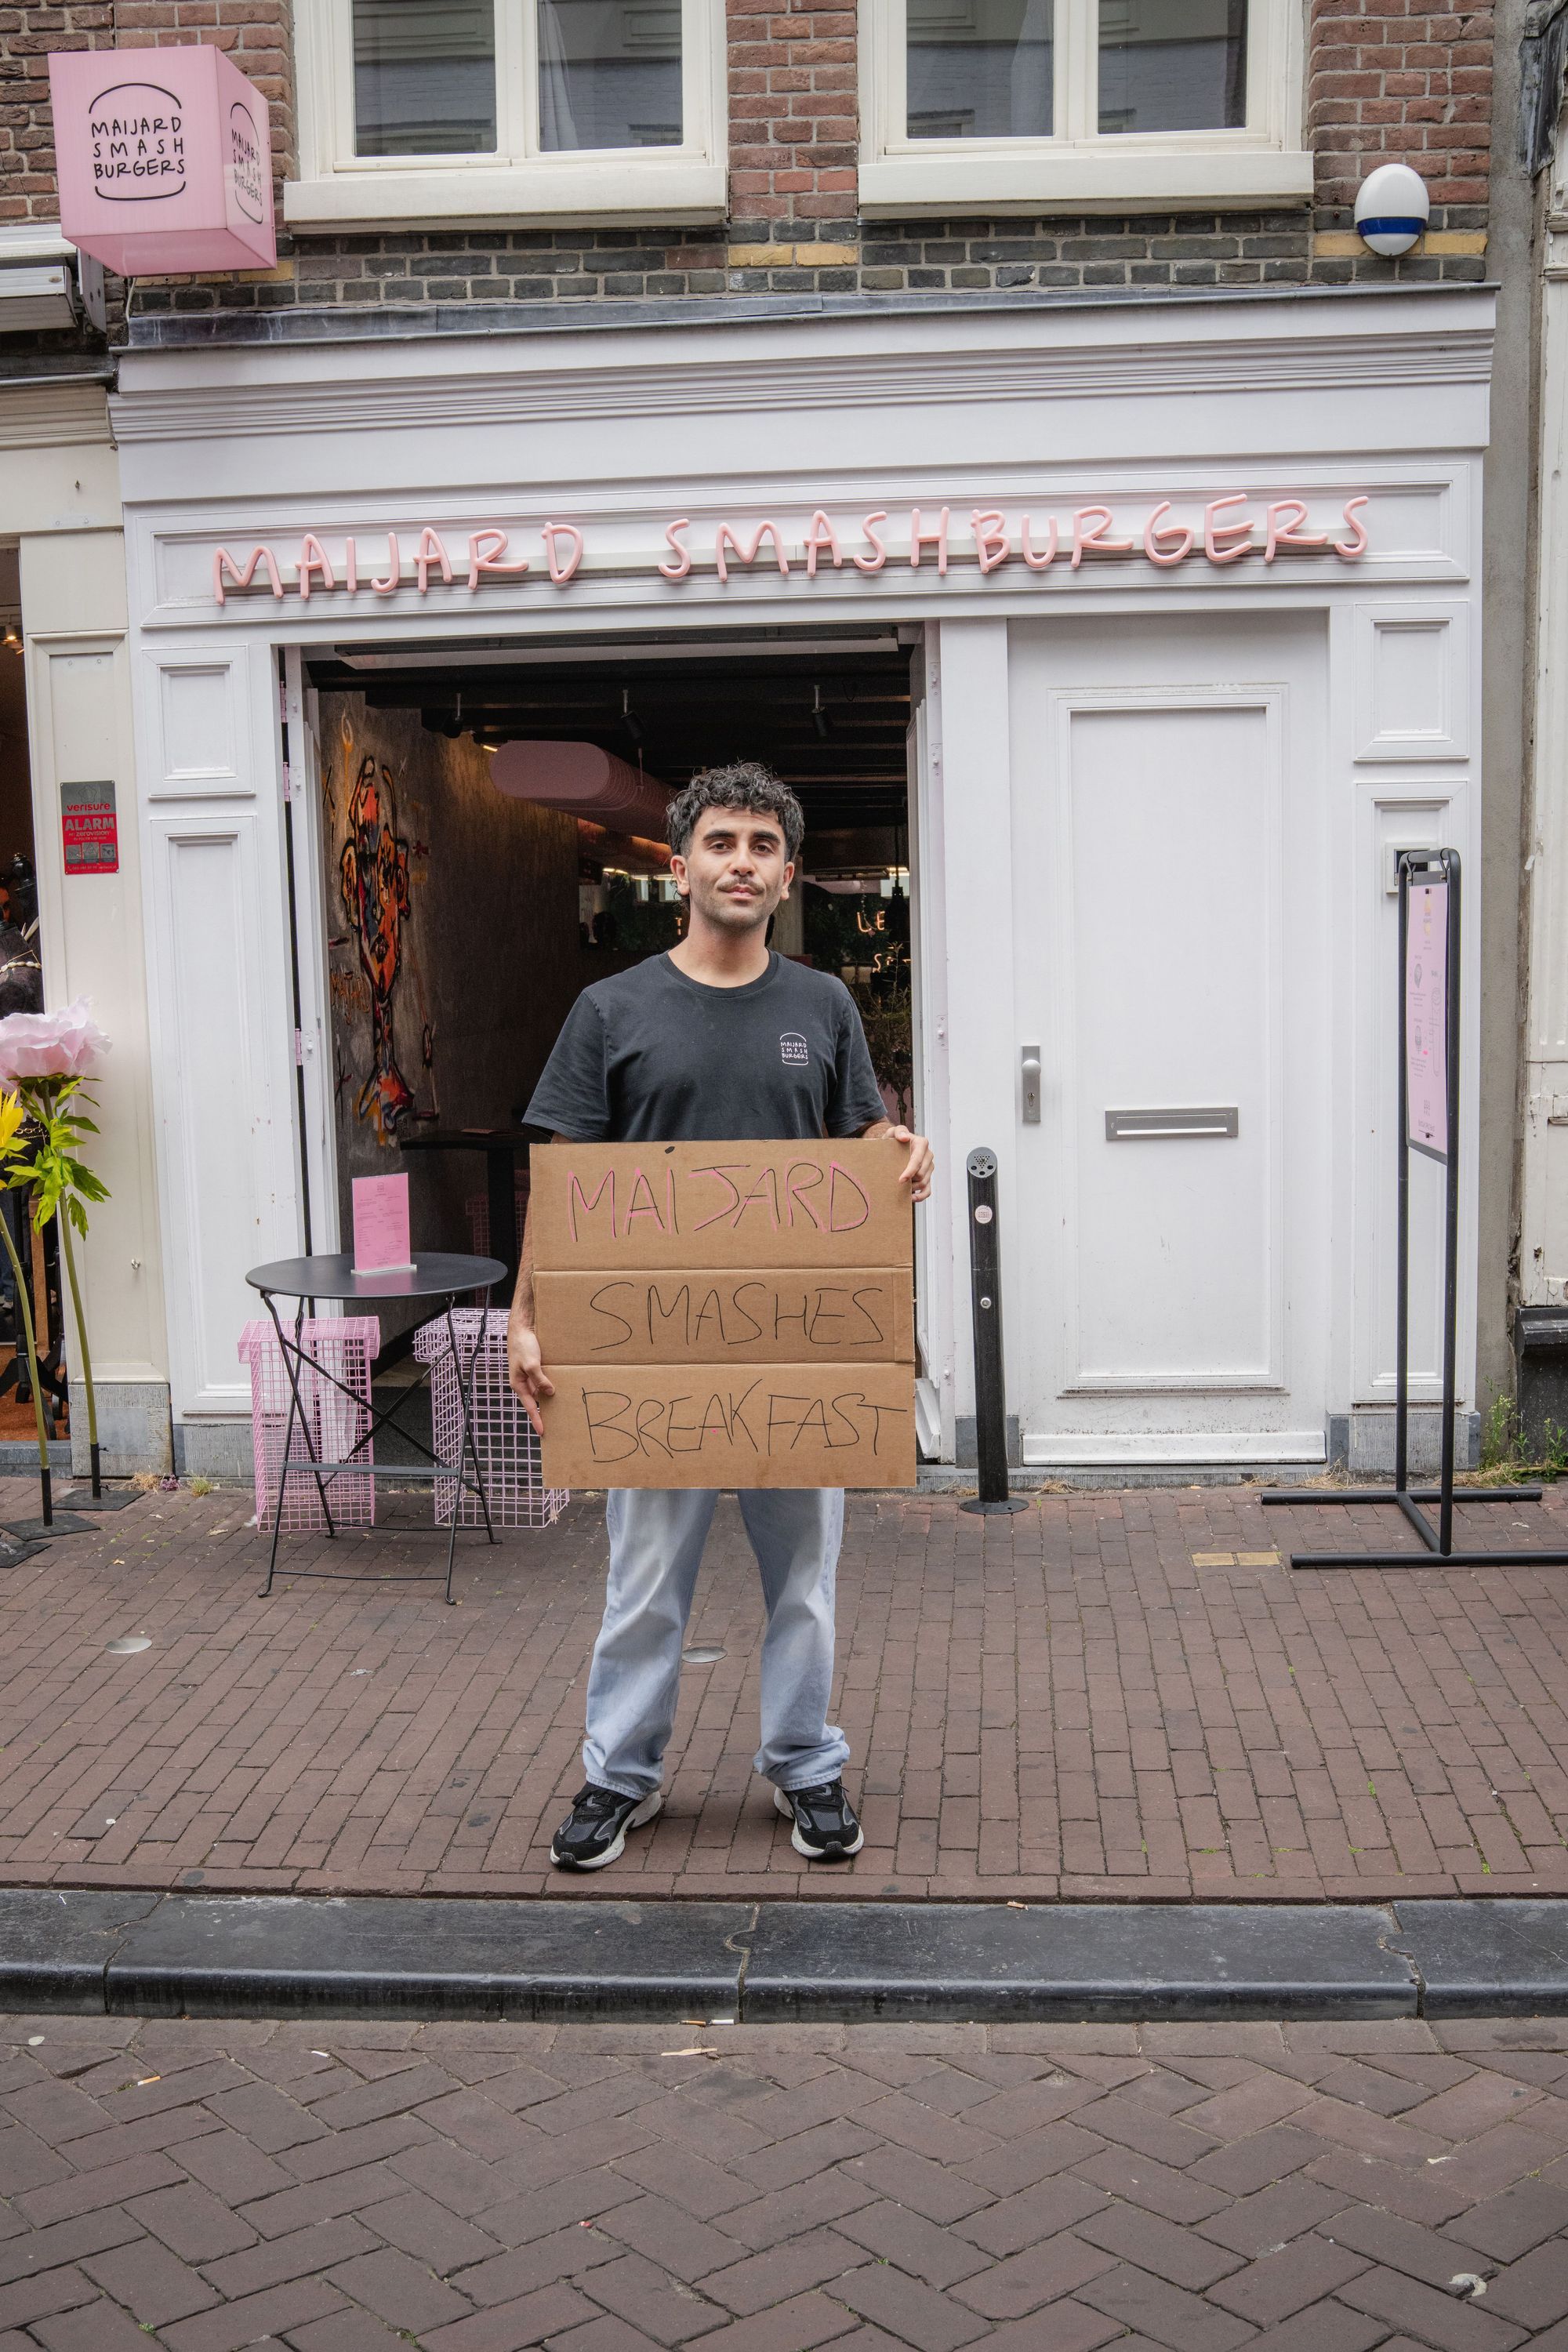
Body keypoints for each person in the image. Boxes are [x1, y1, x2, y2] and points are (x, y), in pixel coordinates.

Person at [508, 761, 934, 1872]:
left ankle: (805, 1765)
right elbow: (563, 1188)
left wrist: (902, 1151)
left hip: (796, 1353)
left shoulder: (823, 1006)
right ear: (681, 862)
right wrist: (528, 1318)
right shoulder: (611, 1012)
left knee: (806, 1579)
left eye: (760, 846)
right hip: (653, 1361)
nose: (740, 862)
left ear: (787, 873)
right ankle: (621, 1775)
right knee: (645, 1578)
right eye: (721, 843)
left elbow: (858, 1161)